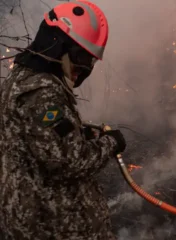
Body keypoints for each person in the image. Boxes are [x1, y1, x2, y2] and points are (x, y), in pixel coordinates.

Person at [0, 1, 126, 239]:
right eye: (81, 57)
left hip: (34, 216)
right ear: (58, 46)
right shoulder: (42, 94)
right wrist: (110, 143)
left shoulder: (23, 76)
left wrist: (80, 135)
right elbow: (69, 162)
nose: (83, 68)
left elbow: (40, 141)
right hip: (53, 225)